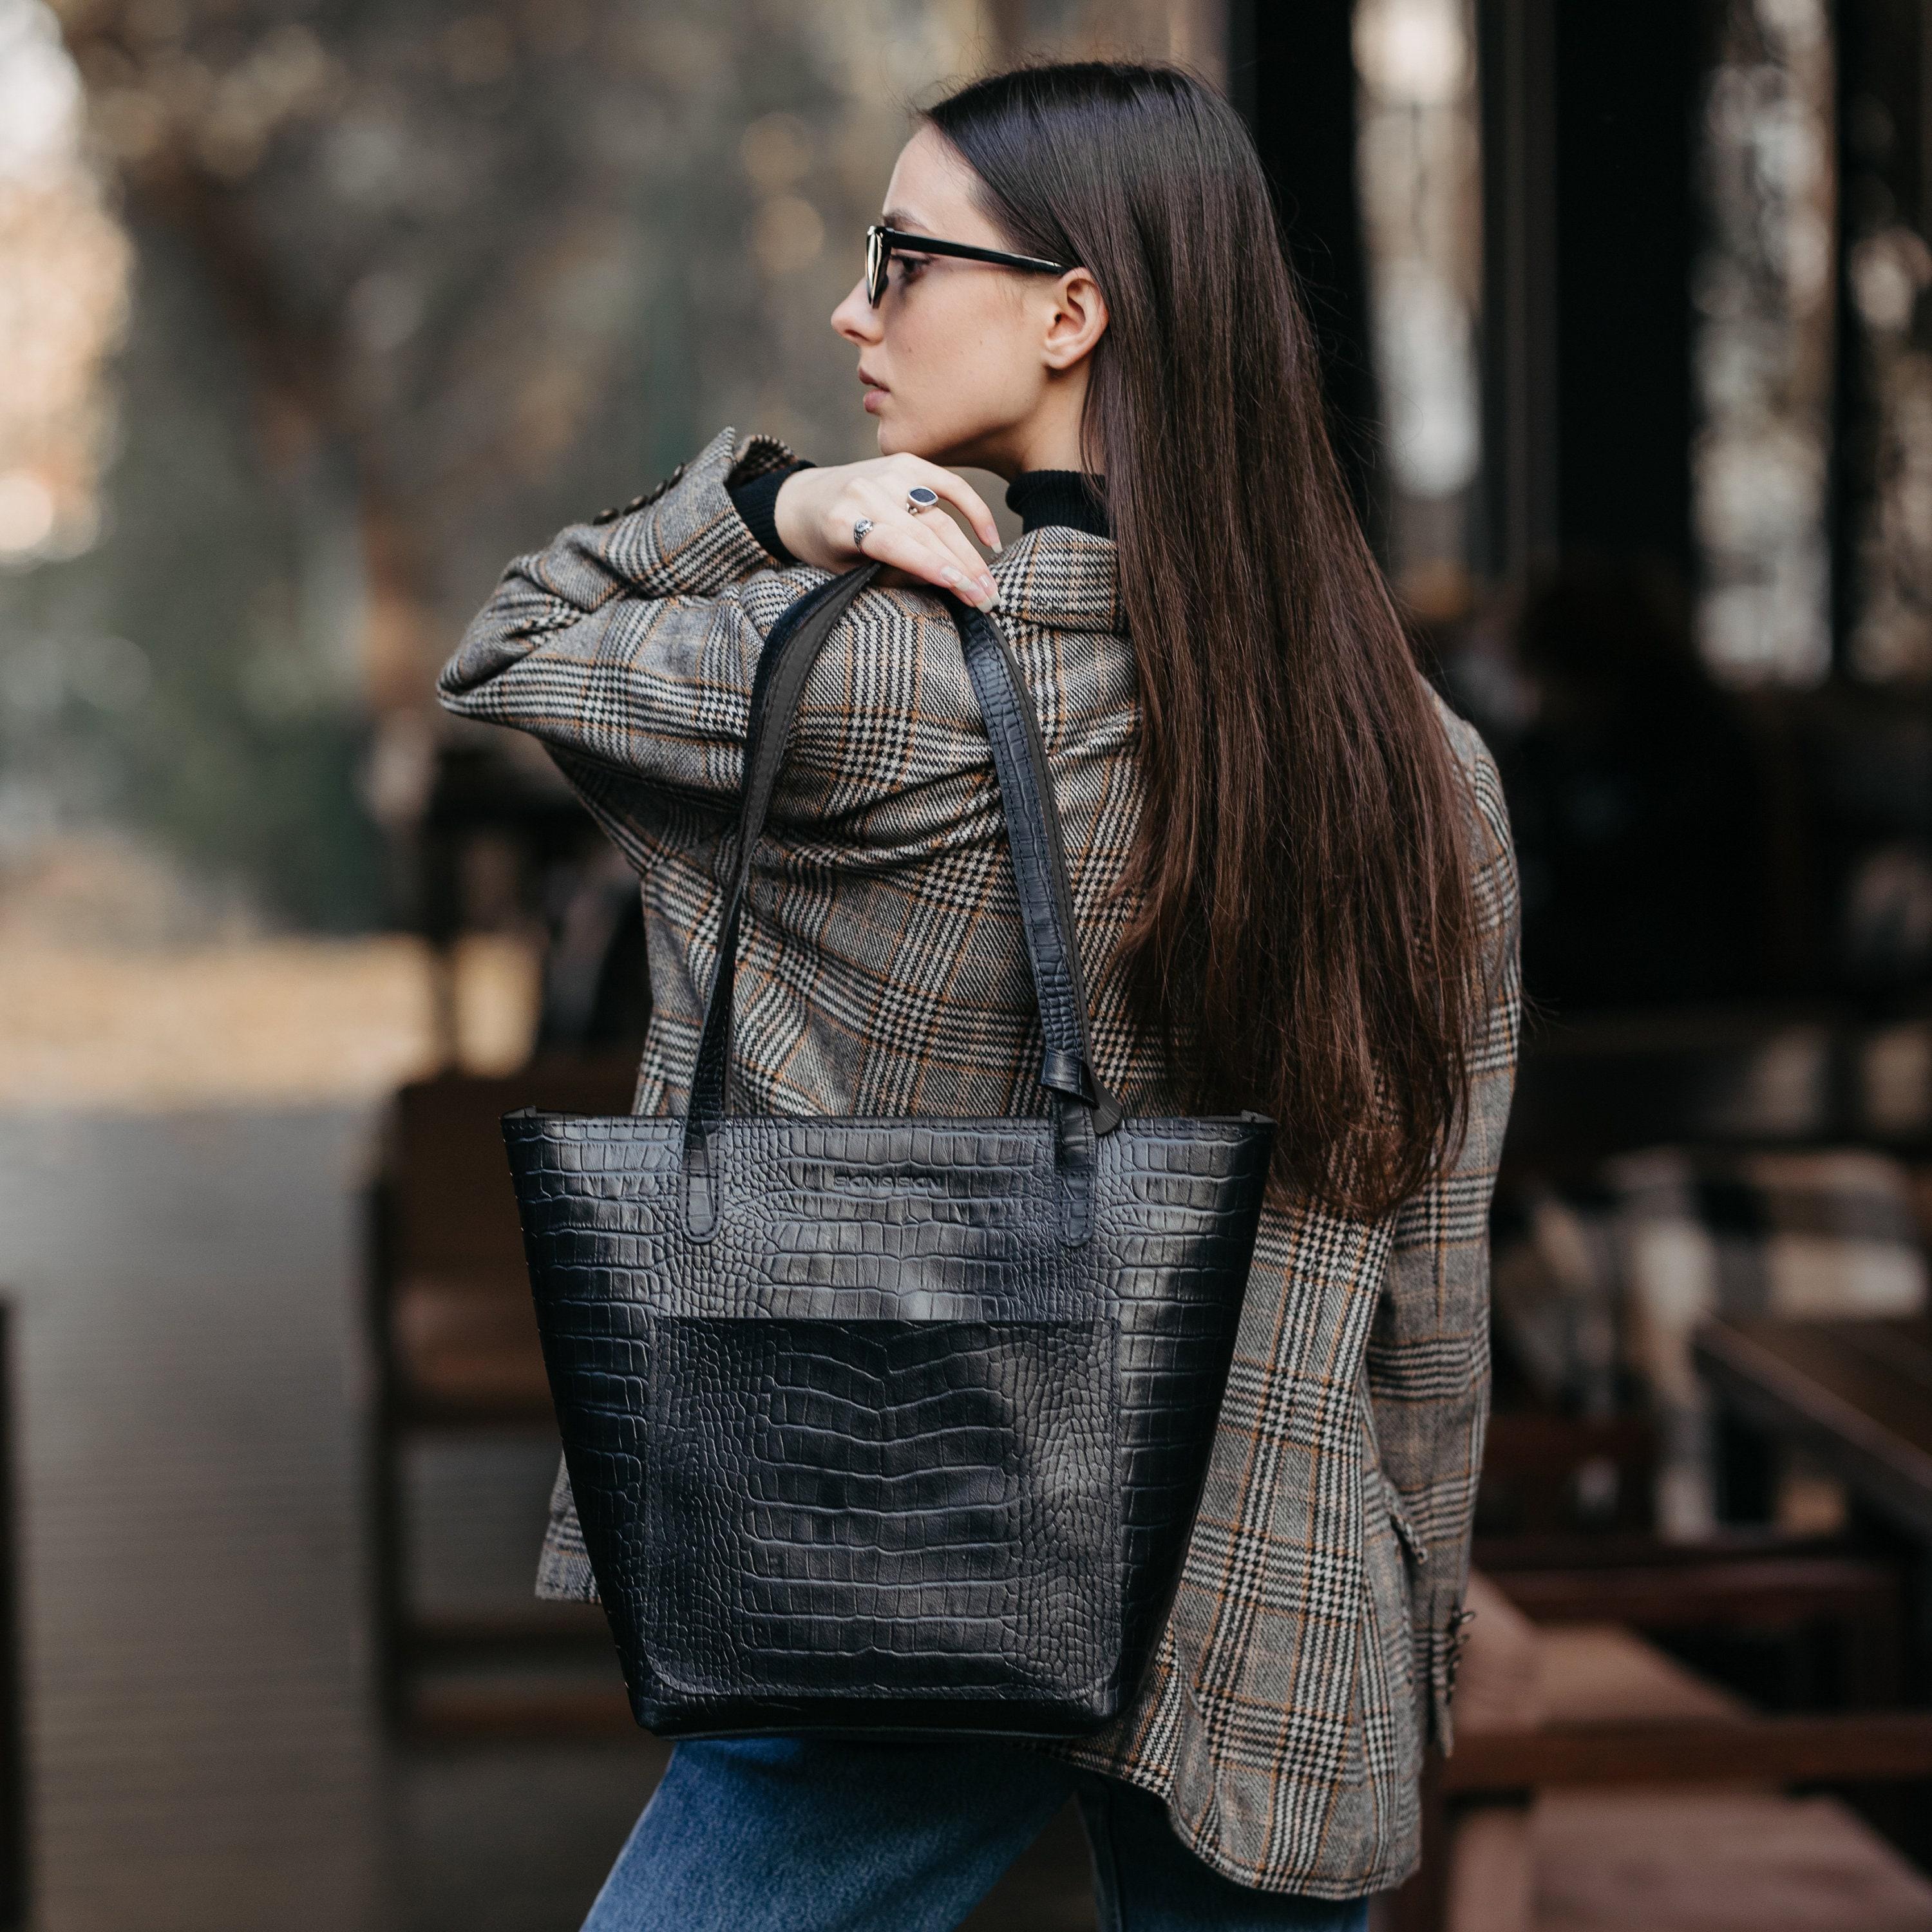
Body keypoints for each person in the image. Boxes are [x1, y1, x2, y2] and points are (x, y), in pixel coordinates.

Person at [440, 60, 1519, 1932]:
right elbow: (1432, 1270)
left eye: (902, 257)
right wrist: (1412, 1630)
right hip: (1274, 1584)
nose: (855, 310)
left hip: (904, 1521)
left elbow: (516, 640)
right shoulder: (1414, 763)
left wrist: (784, 505)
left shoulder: (859, 677)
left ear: (1071, 309)